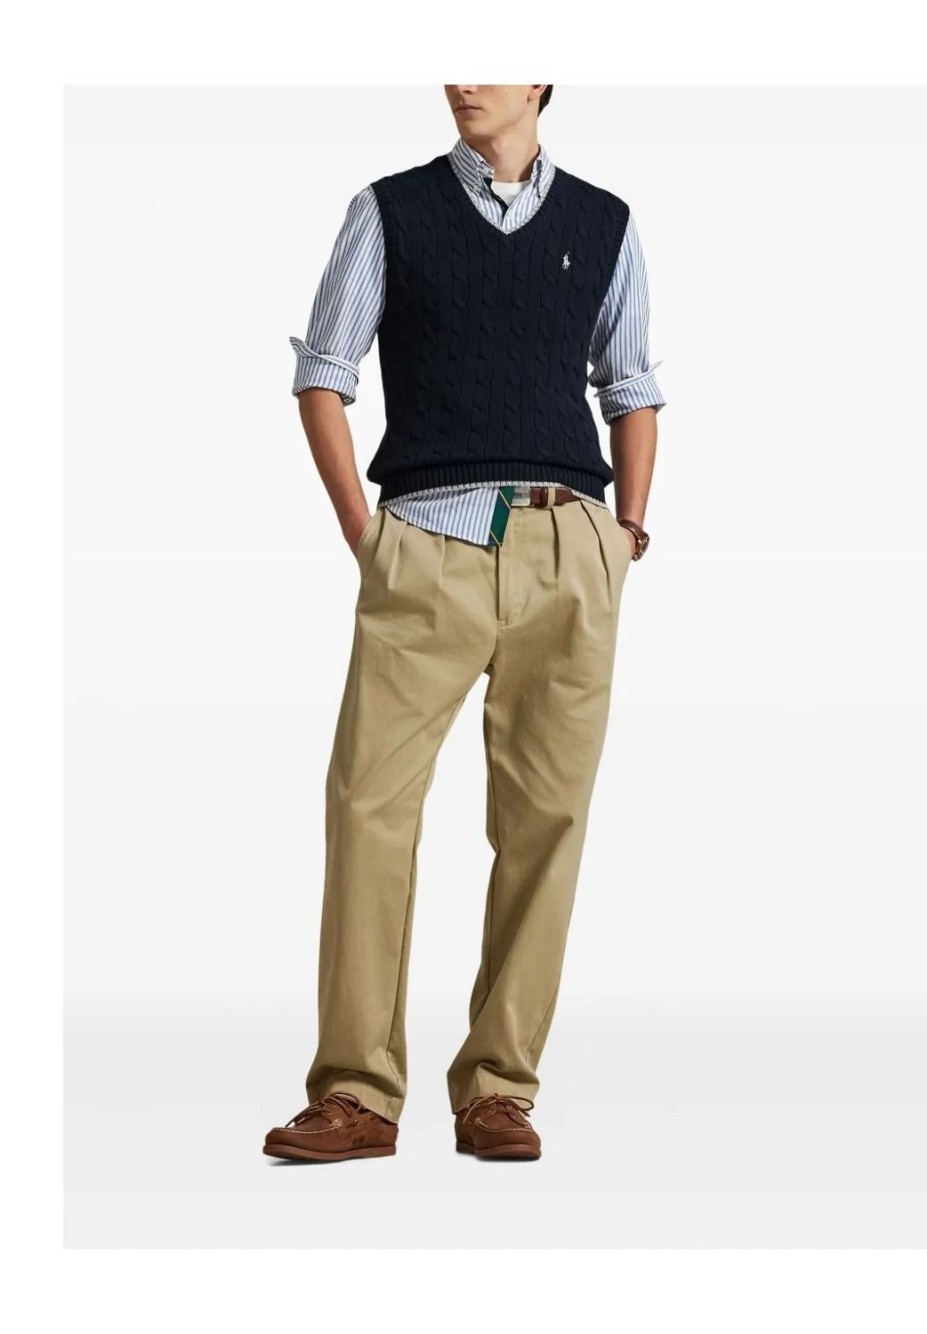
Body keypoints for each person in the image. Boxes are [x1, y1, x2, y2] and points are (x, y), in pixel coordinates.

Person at [263, 84, 664, 1164]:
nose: (463, 75)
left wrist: (625, 533)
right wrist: (366, 535)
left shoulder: (606, 222)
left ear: (543, 80)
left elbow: (630, 383)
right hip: (425, 546)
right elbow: (323, 375)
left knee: (546, 823)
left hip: (568, 548)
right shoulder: (389, 210)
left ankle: (499, 1087)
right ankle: (356, 1092)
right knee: (367, 807)